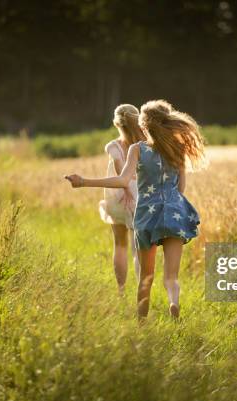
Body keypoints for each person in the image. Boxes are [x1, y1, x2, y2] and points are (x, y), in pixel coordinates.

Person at [65, 100, 206, 319]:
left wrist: (84, 181)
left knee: (146, 278)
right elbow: (181, 187)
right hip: (174, 212)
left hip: (147, 215)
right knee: (171, 278)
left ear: (144, 125)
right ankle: (173, 302)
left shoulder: (137, 150)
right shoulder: (178, 148)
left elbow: (122, 181)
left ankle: (141, 324)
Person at [100, 104, 145, 295]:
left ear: (116, 123)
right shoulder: (145, 144)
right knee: (139, 249)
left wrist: (125, 189)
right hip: (140, 196)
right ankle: (142, 292)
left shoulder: (113, 146)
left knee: (119, 244)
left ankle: (121, 291)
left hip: (117, 196)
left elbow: (120, 170)